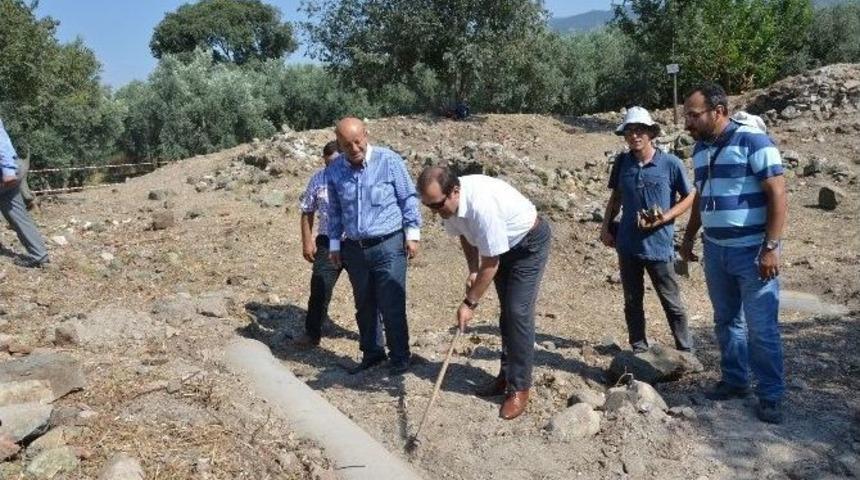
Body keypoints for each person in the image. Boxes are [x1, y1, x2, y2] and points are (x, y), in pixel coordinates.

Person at [679, 82, 787, 424]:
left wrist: (770, 248)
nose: (687, 124)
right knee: (726, 320)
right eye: (686, 117)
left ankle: (770, 394)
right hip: (716, 250)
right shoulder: (700, 150)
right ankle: (736, 381)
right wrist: (689, 238)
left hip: (754, 251)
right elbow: (701, 198)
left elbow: (778, 195)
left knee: (761, 326)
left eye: (694, 116)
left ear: (719, 111)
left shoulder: (754, 141)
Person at [416, 166, 551, 420]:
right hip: (501, 247)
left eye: (436, 205)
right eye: (428, 206)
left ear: (454, 191)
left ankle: (520, 388)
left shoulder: (481, 206)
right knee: (507, 314)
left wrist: (469, 303)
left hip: (527, 244)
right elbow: (466, 236)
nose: (435, 212)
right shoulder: (449, 206)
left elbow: (491, 263)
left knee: (517, 312)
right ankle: (506, 376)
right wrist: (472, 269)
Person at [327, 117, 422, 375]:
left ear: (366, 135)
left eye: (358, 142)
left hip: (388, 244)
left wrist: (412, 234)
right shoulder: (334, 170)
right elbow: (334, 210)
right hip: (354, 249)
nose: (355, 149)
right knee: (364, 305)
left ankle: (400, 357)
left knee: (391, 301)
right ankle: (372, 353)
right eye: (348, 145)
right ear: (339, 144)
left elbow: (408, 197)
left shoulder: (388, 160)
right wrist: (334, 245)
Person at [600, 106, 695, 354]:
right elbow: (616, 197)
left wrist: (665, 217)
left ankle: (686, 352)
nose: (634, 136)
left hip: (659, 244)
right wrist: (606, 227)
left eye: (640, 130)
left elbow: (689, 196)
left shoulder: (670, 164)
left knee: (671, 301)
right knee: (632, 301)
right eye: (629, 131)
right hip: (628, 243)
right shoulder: (622, 163)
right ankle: (639, 349)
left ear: (651, 133)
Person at [295, 140, 343, 347]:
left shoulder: (358, 176)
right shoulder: (318, 179)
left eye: (334, 162)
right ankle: (312, 332)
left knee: (367, 292)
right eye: (327, 163)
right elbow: (307, 210)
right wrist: (307, 241)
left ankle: (373, 342)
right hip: (328, 241)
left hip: (355, 241)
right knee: (320, 287)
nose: (330, 167)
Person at [0, 118, 49, 268]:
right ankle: (39, 254)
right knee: (17, 213)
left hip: (5, 172)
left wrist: (7, 171)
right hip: (14, 168)